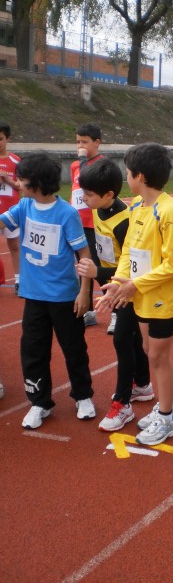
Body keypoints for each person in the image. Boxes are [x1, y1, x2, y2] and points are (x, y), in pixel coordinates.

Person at [96, 143, 173, 445]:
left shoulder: (169, 212)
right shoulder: (136, 206)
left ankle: (166, 418)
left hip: (164, 298)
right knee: (151, 352)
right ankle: (170, 404)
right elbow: (130, 251)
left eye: (128, 173)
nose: (126, 177)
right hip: (143, 296)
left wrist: (134, 285)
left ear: (141, 176)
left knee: (159, 357)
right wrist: (120, 280)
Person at [0, 151, 96, 429]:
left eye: (22, 180)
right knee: (33, 351)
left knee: (74, 348)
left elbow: (84, 252)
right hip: (33, 296)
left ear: (36, 184)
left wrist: (84, 292)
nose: (17, 183)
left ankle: (83, 395)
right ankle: (39, 402)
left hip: (65, 297)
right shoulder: (23, 207)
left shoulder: (66, 213)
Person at [76, 158, 153, 432]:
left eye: (89, 194)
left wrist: (101, 272)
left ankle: (123, 403)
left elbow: (130, 259)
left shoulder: (125, 221)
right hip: (111, 283)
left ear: (109, 194)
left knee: (122, 338)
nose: (84, 199)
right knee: (130, 339)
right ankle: (142, 384)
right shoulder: (98, 210)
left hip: (128, 286)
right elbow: (99, 248)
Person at [70, 123, 105, 328]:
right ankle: (89, 310)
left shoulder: (100, 164)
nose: (80, 146)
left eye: (84, 142)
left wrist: (83, 158)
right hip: (78, 222)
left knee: (98, 267)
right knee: (83, 268)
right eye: (77, 142)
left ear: (96, 143)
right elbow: (76, 190)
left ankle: (116, 310)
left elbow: (85, 181)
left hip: (95, 224)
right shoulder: (75, 165)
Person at [0, 121, 21, 294]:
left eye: (0, 139)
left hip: (11, 210)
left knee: (14, 245)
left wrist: (8, 181)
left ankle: (19, 279)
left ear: (7, 139)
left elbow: (21, 186)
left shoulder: (15, 161)